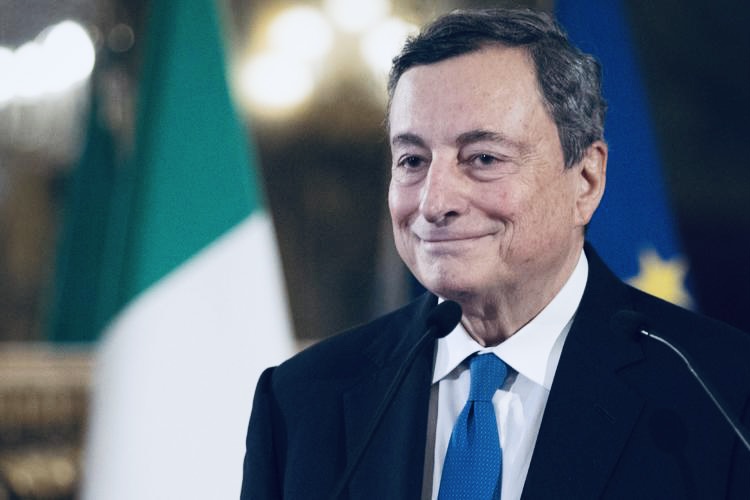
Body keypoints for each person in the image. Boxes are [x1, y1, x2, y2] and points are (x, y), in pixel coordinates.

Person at [240, 8, 750, 499]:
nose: (434, 202)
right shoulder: (301, 402)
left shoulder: (722, 392)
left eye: (483, 158)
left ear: (586, 179)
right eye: (412, 160)